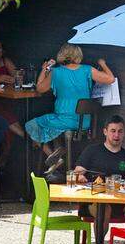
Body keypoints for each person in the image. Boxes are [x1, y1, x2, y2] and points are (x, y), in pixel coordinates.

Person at [13, 43, 114, 176]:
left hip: (63, 120)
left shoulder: (56, 72)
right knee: (53, 124)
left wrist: (44, 69)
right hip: (84, 123)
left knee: (31, 125)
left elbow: (40, 88)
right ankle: (57, 154)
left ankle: (55, 157)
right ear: (78, 55)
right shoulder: (87, 70)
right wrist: (103, 63)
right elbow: (110, 79)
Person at [74, 114, 125, 244]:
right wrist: (81, 177)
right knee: (104, 209)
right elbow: (78, 171)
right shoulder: (92, 151)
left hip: (120, 202)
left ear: (124, 133)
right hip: (95, 201)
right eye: (113, 131)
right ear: (105, 132)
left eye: (120, 131)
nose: (116, 135)